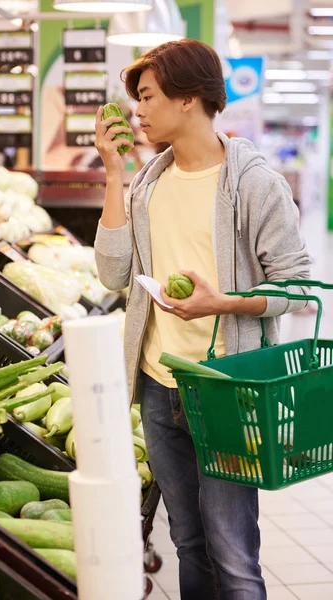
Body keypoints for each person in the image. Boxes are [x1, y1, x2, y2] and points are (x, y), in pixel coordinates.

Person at [94, 39, 311, 600]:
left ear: (187, 98)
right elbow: (113, 274)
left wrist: (224, 303)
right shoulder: (148, 183)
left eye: (146, 97)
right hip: (157, 385)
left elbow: (299, 289)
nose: (137, 111)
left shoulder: (254, 184)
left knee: (233, 555)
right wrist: (114, 174)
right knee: (188, 543)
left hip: (225, 391)